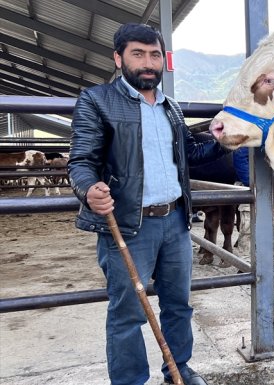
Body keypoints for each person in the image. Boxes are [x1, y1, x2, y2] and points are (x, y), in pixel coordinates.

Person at [68, 23, 228, 385]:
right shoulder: (97, 101)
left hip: (175, 221)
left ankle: (179, 369)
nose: (147, 62)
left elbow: (189, 153)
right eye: (137, 54)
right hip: (127, 224)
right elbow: (80, 161)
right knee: (127, 314)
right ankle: (129, 381)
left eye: (154, 54)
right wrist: (88, 189)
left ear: (163, 60)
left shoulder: (170, 108)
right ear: (118, 58)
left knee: (179, 305)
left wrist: (221, 140)